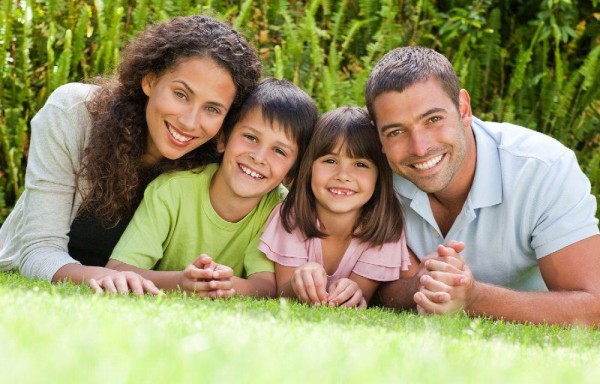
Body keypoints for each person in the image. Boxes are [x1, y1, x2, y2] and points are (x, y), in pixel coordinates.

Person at [0, 15, 262, 294]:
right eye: (181, 94)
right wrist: (103, 277)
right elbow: (37, 250)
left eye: (212, 109)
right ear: (149, 81)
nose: (189, 121)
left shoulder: (217, 162)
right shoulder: (73, 113)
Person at [365, 46, 600, 325]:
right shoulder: (368, 177)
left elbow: (593, 304)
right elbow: (365, 278)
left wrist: (474, 298)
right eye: (396, 132)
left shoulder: (542, 169)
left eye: (434, 119)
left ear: (463, 108)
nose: (420, 147)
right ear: (378, 136)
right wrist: (424, 284)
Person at [106, 78, 318, 298]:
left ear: (292, 172)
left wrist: (224, 284)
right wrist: (181, 281)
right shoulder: (170, 191)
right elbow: (118, 269)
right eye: (250, 137)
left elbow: (266, 286)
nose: (258, 157)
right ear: (222, 139)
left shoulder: (278, 210)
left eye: (279, 151)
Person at [259, 106, 411, 307]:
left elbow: (353, 300)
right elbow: (283, 294)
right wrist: (298, 283)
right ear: (309, 167)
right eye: (330, 160)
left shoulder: (386, 230)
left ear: (379, 176)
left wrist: (353, 292)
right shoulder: (290, 217)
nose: (343, 175)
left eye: (360, 164)